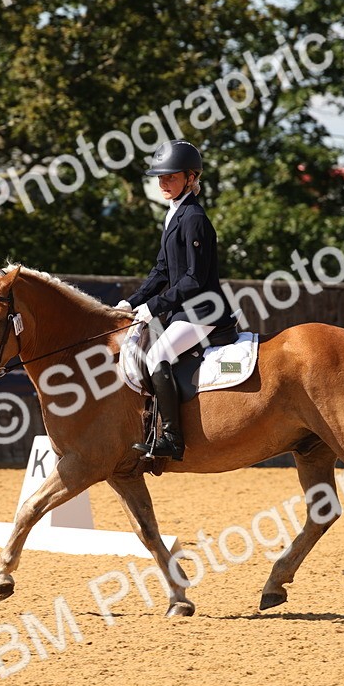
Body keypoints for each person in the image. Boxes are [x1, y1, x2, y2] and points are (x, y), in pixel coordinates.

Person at [115, 140, 235, 461]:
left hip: (203, 310)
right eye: (160, 177)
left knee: (157, 356)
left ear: (191, 178)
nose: (163, 183)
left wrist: (153, 307)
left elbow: (193, 279)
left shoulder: (194, 217)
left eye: (170, 177)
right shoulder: (174, 215)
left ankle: (171, 437)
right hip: (183, 310)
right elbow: (162, 270)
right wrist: (132, 303)